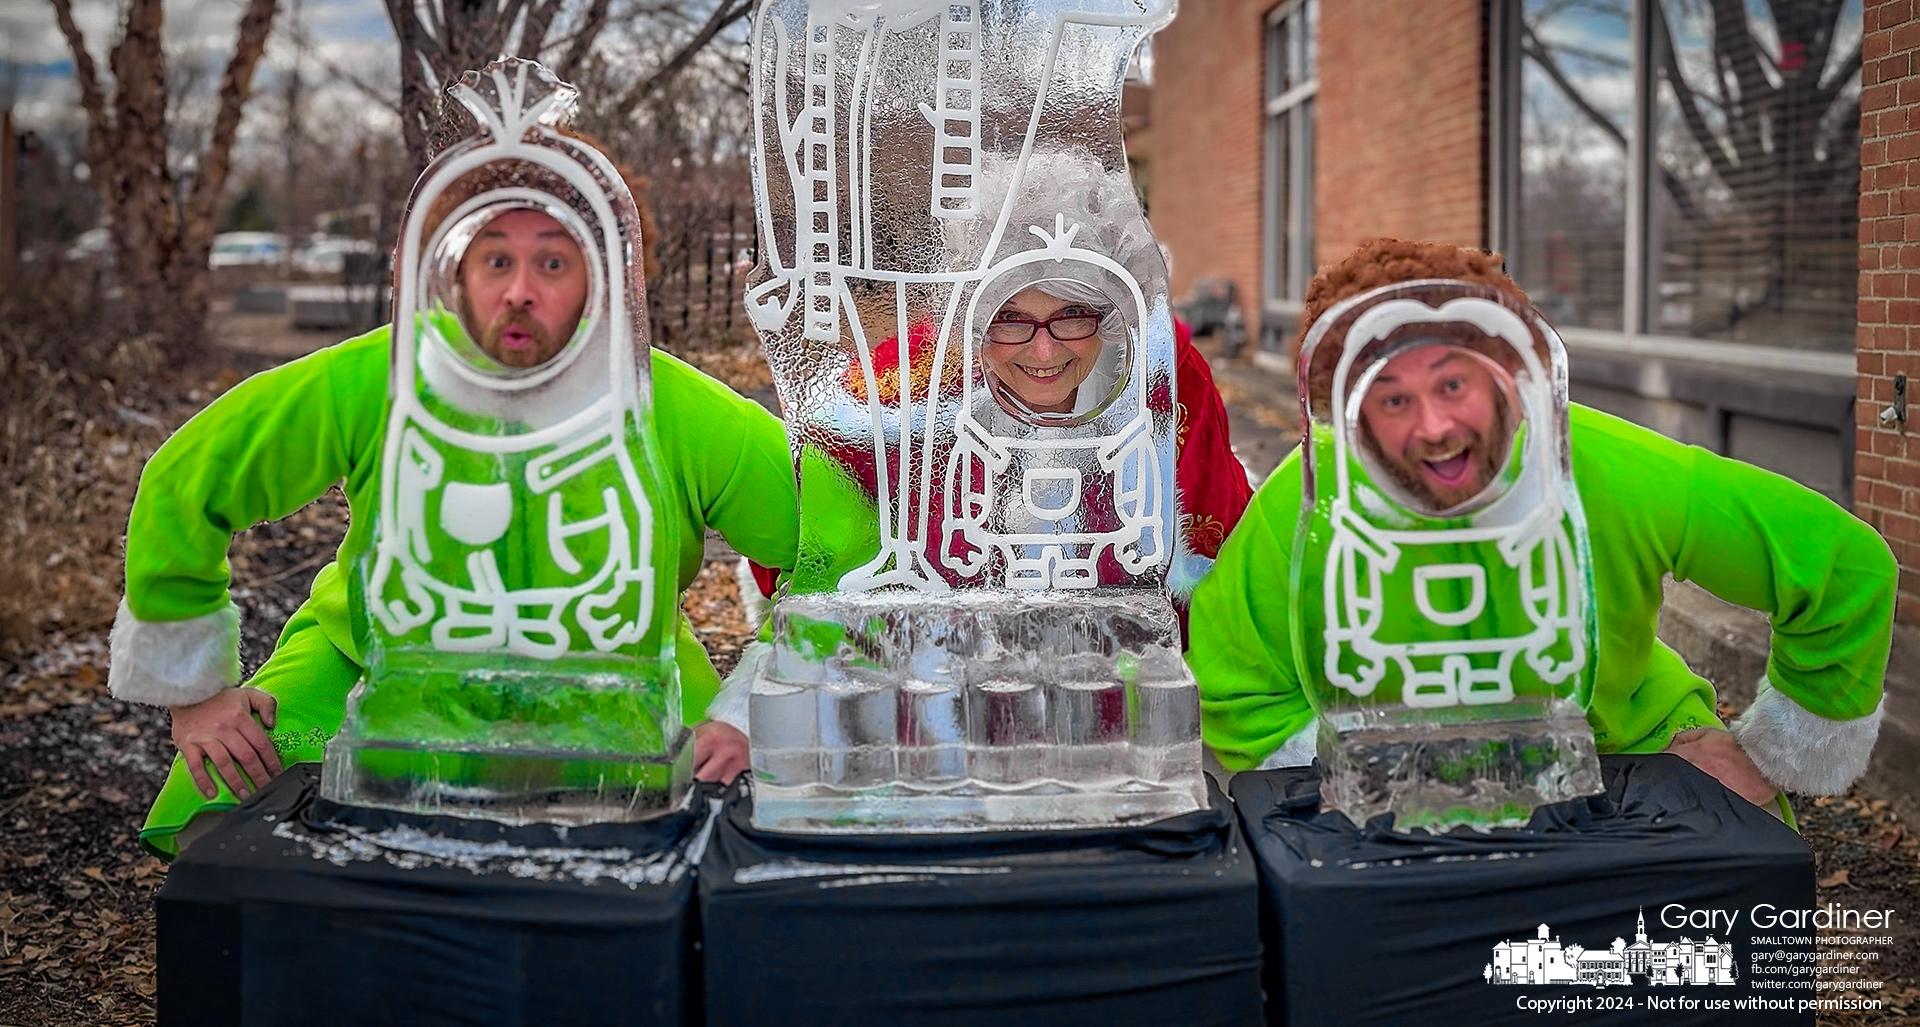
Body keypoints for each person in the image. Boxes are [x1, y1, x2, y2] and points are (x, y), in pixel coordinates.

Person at [109, 152, 794, 858]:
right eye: (496, 261)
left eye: (554, 263)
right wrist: (195, 693)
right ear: (456, 268)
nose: (521, 291)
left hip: (623, 674)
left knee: (722, 827)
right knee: (229, 810)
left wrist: (747, 713)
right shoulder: (384, 375)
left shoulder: (680, 410)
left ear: (605, 272)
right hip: (371, 666)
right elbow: (193, 477)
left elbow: (839, 547)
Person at [1190, 238, 1894, 814]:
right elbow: (1231, 673)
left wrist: (1771, 754)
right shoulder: (1306, 500)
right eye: (1392, 397)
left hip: (1632, 762)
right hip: (1401, 792)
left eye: (1454, 383)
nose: (1434, 427)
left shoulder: (1605, 466)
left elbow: (1841, 566)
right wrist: (1360, 771)